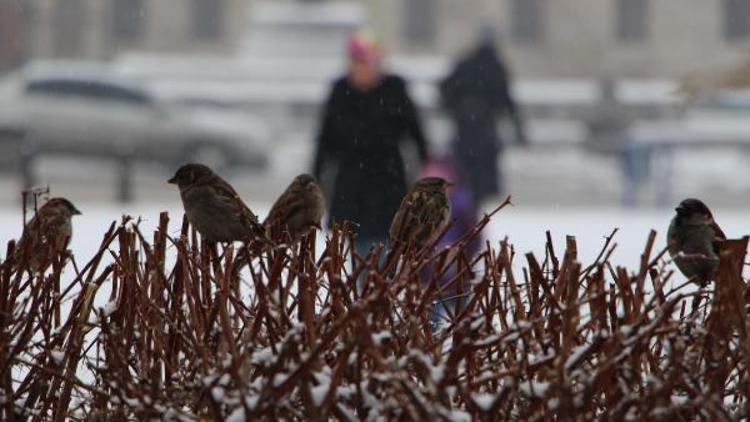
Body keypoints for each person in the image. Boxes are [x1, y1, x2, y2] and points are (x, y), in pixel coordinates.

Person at [312, 30, 429, 258]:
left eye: (371, 62)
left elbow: (415, 133)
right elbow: (325, 142)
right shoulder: (340, 91)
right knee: (359, 259)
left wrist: (428, 170)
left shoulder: (394, 88)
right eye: (360, 62)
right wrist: (316, 183)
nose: (366, 69)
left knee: (389, 255)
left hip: (389, 184)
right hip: (351, 189)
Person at [439, 27, 527, 205]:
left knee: (463, 177)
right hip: (486, 133)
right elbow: (507, 102)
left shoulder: (465, 64)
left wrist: (458, 109)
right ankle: (472, 214)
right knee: (480, 183)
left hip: (464, 131)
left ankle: (467, 211)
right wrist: (519, 130)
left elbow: (445, 91)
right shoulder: (496, 68)